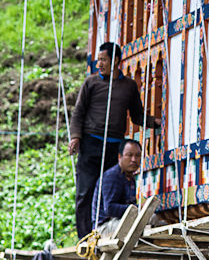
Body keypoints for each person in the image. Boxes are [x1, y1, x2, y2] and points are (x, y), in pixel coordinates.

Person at [69, 41, 162, 239]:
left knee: (110, 188)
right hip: (91, 144)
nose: (99, 63)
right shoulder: (91, 83)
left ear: (116, 61)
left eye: (103, 59)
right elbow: (78, 112)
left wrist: (156, 122)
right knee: (85, 193)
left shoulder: (128, 86)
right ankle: (85, 237)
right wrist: (76, 137)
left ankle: (107, 229)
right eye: (98, 59)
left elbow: (137, 115)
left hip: (113, 146)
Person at [92, 139, 141, 235]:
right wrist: (138, 208)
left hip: (119, 222)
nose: (134, 159)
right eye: (129, 155)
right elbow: (110, 209)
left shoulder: (130, 178)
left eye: (138, 156)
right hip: (104, 227)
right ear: (120, 157)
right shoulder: (112, 176)